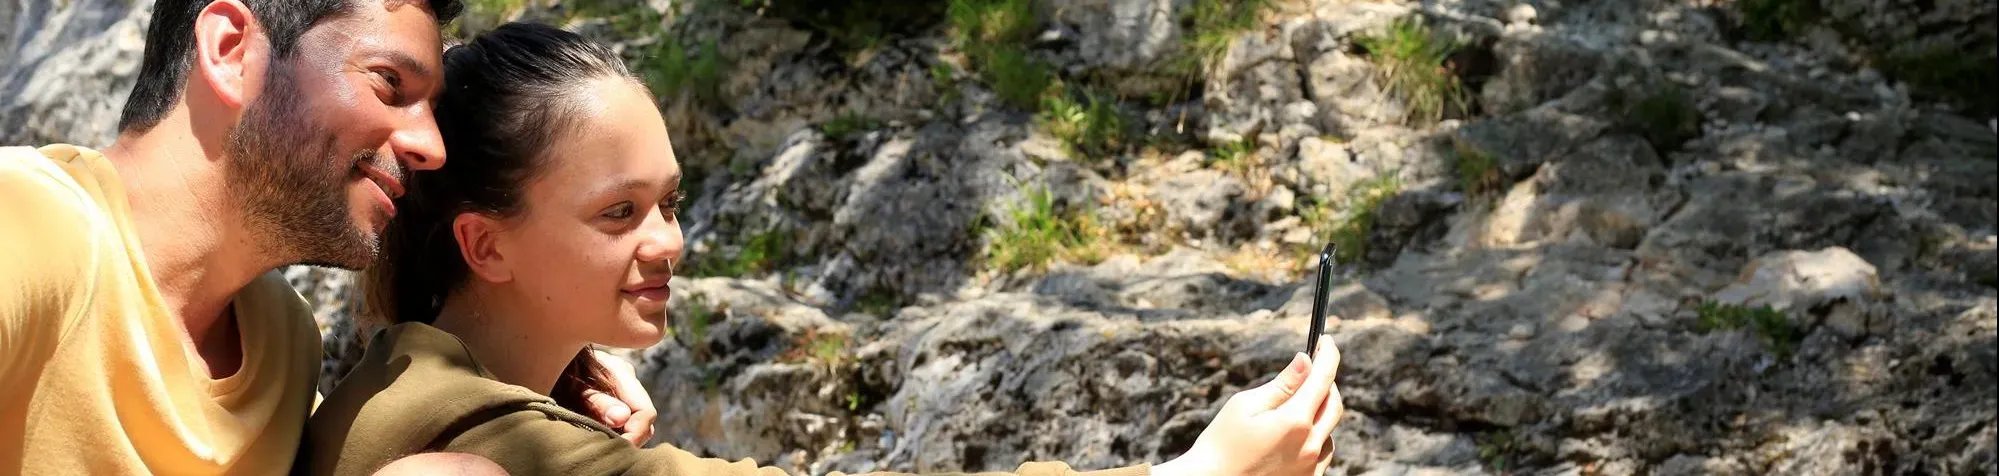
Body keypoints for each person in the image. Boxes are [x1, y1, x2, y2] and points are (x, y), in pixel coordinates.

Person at [306, 22, 1348, 476]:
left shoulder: (438, 386)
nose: (667, 240)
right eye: (617, 213)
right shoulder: (465, 442)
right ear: (485, 243)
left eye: (670, 200)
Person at [0, 0, 655, 473]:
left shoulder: (281, 344)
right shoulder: (32, 226)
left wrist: (552, 374)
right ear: (231, 51)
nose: (428, 146)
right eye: (388, 83)